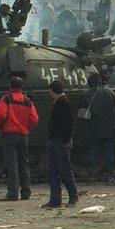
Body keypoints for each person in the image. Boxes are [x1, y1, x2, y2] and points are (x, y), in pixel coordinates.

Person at [0, 76, 38, 201]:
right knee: (24, 163)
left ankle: (13, 193)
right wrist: (27, 128)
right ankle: (26, 192)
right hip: (23, 135)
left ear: (10, 86)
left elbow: (0, 114)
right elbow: (34, 118)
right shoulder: (27, 100)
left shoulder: (6, 99)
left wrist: (2, 126)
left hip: (10, 134)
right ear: (22, 87)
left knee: (12, 164)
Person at [41, 80, 78, 209]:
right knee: (53, 171)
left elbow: (69, 124)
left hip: (60, 141)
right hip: (55, 140)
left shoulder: (64, 103)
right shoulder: (60, 103)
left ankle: (73, 197)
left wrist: (64, 140)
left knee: (65, 170)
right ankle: (55, 199)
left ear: (52, 90)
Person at [79, 73, 115, 183]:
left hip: (92, 127)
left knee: (92, 152)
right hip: (108, 128)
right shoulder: (109, 92)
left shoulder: (85, 94)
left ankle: (91, 175)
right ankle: (110, 176)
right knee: (109, 153)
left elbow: (82, 113)